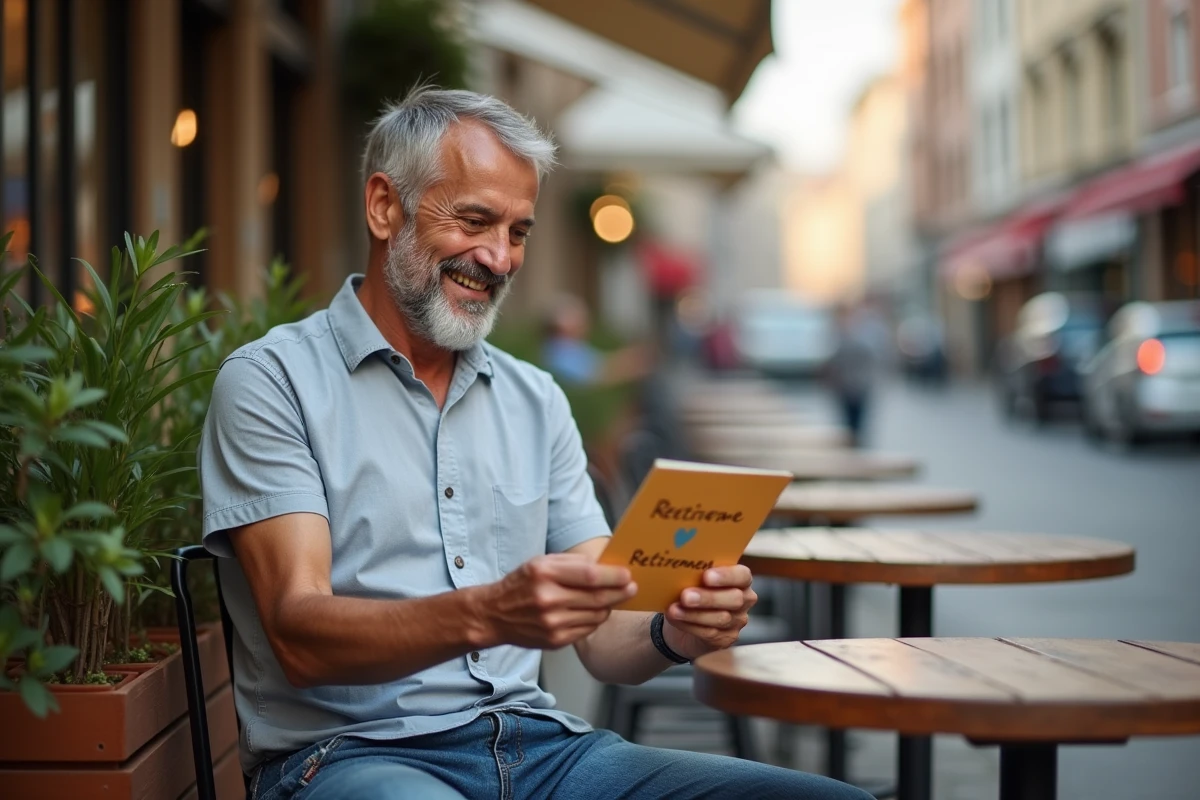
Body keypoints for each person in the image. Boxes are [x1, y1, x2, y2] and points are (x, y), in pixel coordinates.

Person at [199, 87, 872, 800]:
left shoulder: (534, 399)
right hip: (348, 759)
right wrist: (487, 612)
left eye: (518, 232)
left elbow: (608, 640)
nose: (498, 257)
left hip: (543, 752)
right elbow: (298, 635)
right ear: (383, 206)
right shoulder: (271, 382)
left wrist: (675, 629)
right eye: (474, 220)